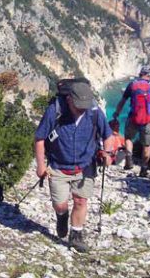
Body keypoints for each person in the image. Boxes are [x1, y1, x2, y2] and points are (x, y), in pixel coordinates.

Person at [34, 81, 114, 253]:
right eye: (79, 106)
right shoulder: (55, 111)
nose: (82, 110)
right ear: (69, 99)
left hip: (85, 166)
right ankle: (61, 217)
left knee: (81, 200)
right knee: (61, 205)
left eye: (84, 106)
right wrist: (40, 166)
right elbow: (39, 138)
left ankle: (76, 236)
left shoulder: (94, 112)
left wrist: (108, 153)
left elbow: (108, 136)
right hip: (58, 166)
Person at [112, 65, 150, 178]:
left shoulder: (132, 85)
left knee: (128, 138)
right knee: (147, 145)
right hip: (148, 120)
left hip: (133, 117)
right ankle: (144, 169)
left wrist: (117, 113)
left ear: (140, 74)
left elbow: (122, 101)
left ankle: (128, 161)